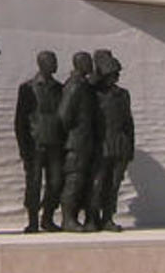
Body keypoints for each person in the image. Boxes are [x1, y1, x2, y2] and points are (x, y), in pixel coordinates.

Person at [15, 50, 65, 233]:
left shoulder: (60, 88)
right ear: (41, 64)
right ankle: (33, 220)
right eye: (52, 61)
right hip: (35, 144)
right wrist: (23, 147)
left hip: (55, 143)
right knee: (34, 184)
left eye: (55, 61)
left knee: (56, 182)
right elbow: (20, 121)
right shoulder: (27, 88)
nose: (55, 64)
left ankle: (48, 218)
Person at [88, 51, 134, 232]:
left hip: (119, 143)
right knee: (97, 183)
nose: (115, 77)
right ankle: (92, 217)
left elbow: (129, 122)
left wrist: (130, 146)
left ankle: (108, 217)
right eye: (112, 74)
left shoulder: (123, 94)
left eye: (116, 74)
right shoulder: (94, 94)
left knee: (113, 185)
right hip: (101, 143)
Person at [58, 51, 98, 232]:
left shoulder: (84, 85)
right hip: (76, 142)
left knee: (82, 180)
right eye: (88, 62)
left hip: (85, 141)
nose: (91, 65)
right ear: (80, 64)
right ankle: (68, 219)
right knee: (74, 180)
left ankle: (78, 217)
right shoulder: (75, 86)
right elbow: (64, 115)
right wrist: (74, 133)